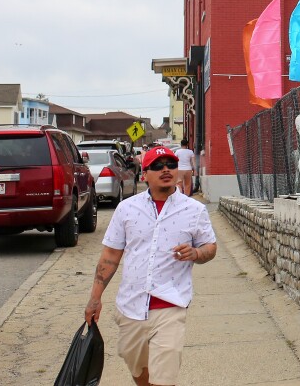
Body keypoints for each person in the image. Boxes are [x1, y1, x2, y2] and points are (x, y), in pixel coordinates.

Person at [85, 146, 217, 386]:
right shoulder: (127, 209)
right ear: (144, 174)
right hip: (131, 305)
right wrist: (95, 297)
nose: (165, 170)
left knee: (164, 378)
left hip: (171, 303)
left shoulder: (194, 210)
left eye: (171, 165)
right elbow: (110, 256)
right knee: (136, 364)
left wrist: (196, 252)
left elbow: (210, 248)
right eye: (157, 166)